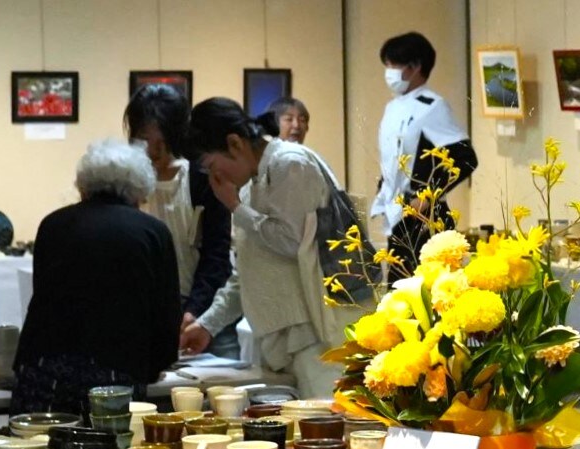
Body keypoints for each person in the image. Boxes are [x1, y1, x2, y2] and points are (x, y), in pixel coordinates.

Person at [180, 97, 354, 397]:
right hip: (283, 340)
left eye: (212, 166)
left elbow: (293, 241)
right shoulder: (253, 182)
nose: (215, 178)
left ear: (235, 144)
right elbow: (247, 271)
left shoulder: (290, 163)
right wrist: (208, 324)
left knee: (325, 420)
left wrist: (236, 208)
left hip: (317, 337)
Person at [11, 139, 180, 415]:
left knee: (40, 440)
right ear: (140, 188)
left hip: (44, 365)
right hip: (117, 367)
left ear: (83, 185)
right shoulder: (152, 232)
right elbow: (166, 312)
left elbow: (40, 291)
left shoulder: (53, 225)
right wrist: (153, 368)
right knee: (109, 442)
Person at [123, 83, 239, 358]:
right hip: (150, 309)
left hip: (206, 306)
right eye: (143, 141)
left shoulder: (201, 176)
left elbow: (216, 252)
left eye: (161, 142)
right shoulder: (127, 180)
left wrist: (194, 309)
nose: (153, 152)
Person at [373, 31, 477, 277]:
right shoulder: (392, 107)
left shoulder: (432, 106)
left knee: (426, 286)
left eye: (395, 65)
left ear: (415, 67)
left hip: (424, 214)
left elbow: (465, 158)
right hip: (397, 212)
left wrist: (428, 194)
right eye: (388, 65)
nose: (389, 72)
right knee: (398, 287)